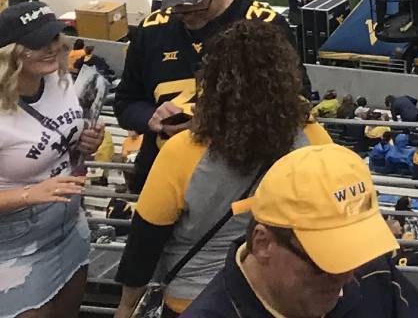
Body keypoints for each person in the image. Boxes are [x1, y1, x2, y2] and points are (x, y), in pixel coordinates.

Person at [116, 19, 333, 317]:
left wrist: (127, 307)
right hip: (278, 298)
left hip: (193, 302)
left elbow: (144, 245)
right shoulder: (314, 140)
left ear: (212, 79)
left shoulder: (182, 152)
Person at [117, 0, 295, 190]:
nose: (186, 14)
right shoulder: (151, 30)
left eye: (196, 4)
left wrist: (213, 123)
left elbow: (293, 100)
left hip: (240, 175)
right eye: (178, 6)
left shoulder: (264, 25)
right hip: (167, 174)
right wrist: (151, 117)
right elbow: (126, 101)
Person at [175, 142, 398, 318]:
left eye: (355, 251)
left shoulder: (373, 272)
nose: (346, 278)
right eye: (324, 263)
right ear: (263, 244)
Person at [0, 0, 104, 318]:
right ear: (10, 51)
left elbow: (59, 142)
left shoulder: (59, 80)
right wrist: (31, 194)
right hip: (16, 238)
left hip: (69, 223)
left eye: (54, 37)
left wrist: (87, 142)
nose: (51, 48)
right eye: (37, 43)